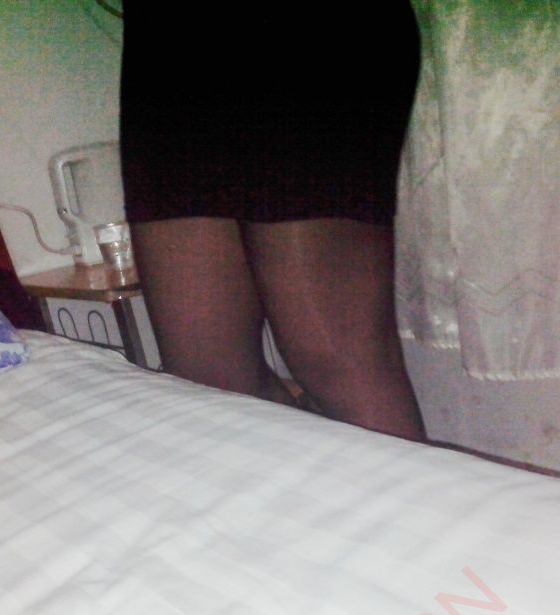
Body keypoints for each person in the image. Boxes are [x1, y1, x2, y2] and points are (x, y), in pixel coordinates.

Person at [120, 2, 426, 441]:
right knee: (207, 377)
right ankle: (300, 480)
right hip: (168, 45)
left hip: (301, 27)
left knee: (337, 364)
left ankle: (409, 488)